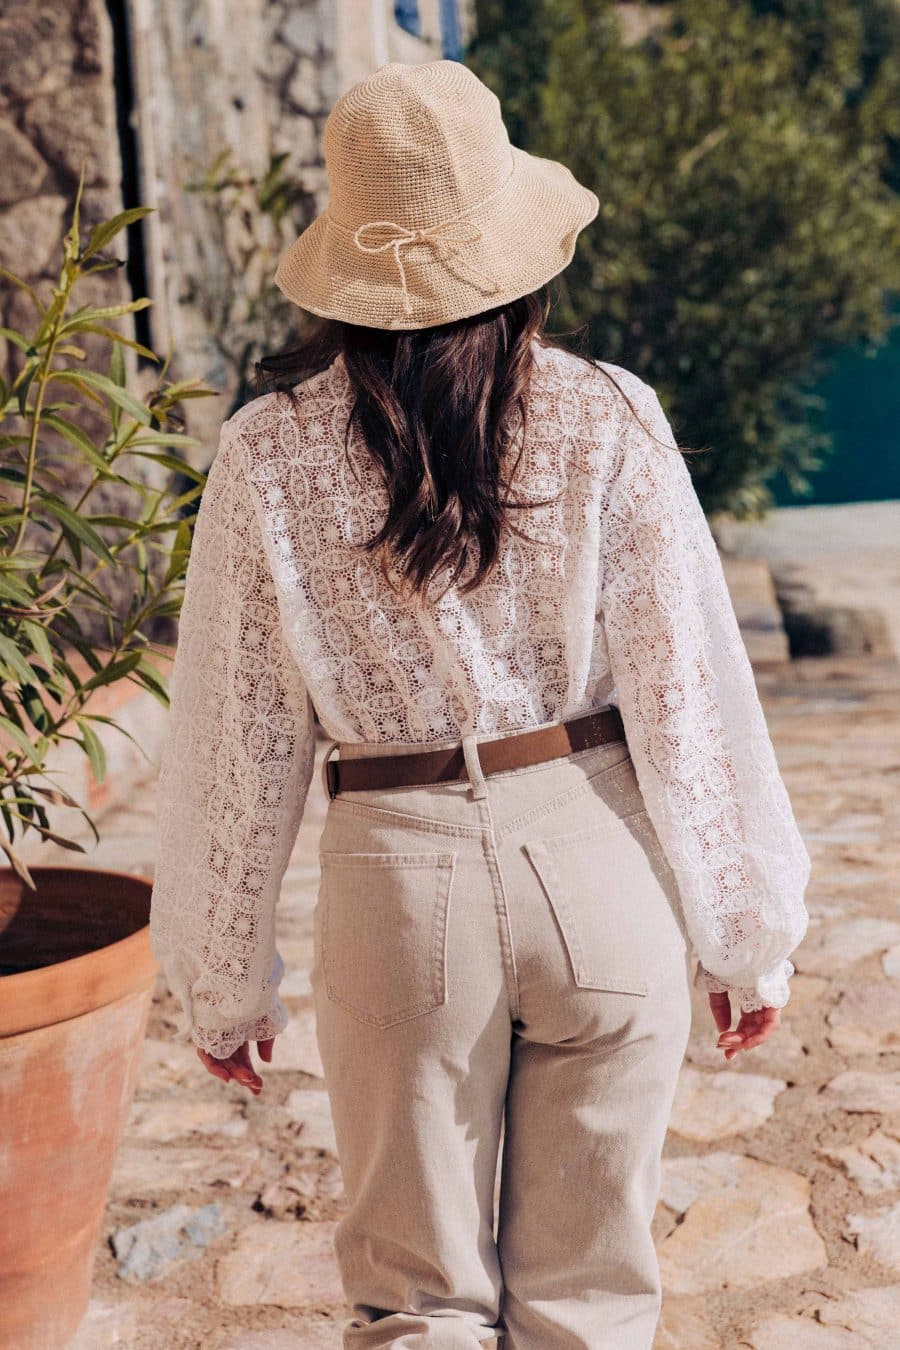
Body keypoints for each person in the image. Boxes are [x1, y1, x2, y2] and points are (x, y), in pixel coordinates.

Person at [150, 59, 811, 1350]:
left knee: (417, 1305)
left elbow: (236, 739)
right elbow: (687, 689)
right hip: (600, 861)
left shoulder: (264, 456)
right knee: (594, 1300)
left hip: (399, 888)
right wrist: (746, 933)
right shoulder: (611, 415)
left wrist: (221, 981)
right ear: (521, 249)